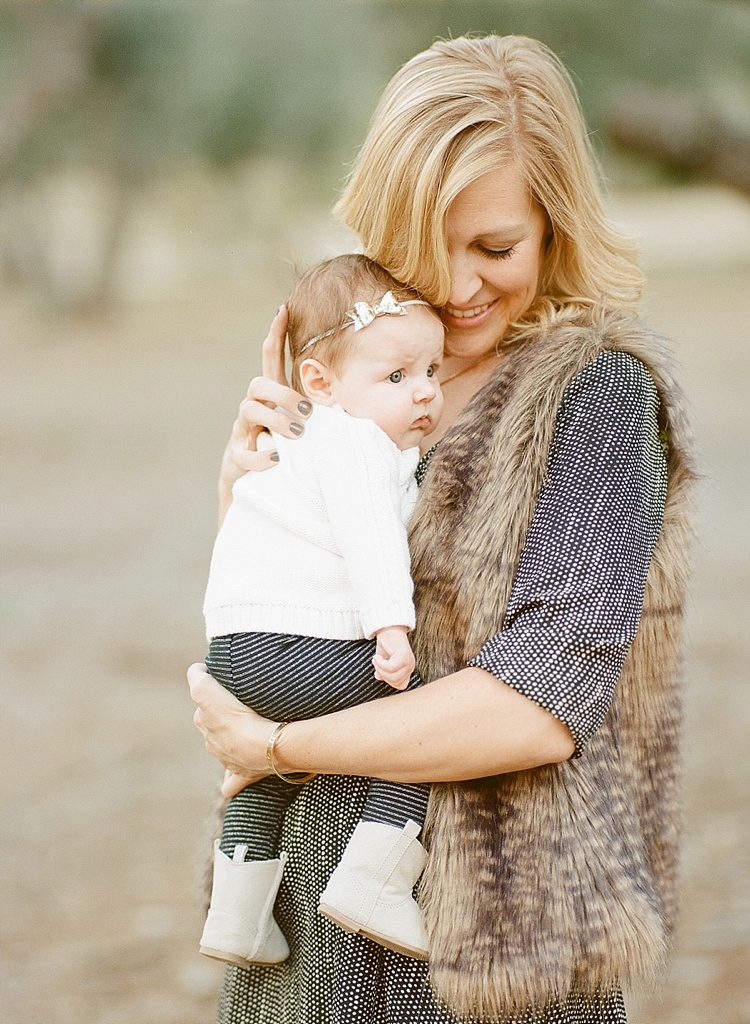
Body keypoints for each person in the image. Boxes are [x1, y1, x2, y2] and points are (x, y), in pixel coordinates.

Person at [188, 33, 696, 1024]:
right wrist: (240, 487)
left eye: (497, 248)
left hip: (488, 959)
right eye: (429, 245)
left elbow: (536, 706)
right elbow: (266, 635)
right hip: (302, 943)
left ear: (554, 226)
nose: (461, 287)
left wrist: (278, 744)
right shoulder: (350, 380)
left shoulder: (595, 395)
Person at [200, 254, 445, 969]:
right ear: (319, 383)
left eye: (432, 370)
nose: (424, 392)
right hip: (301, 643)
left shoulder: (294, 445)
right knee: (419, 723)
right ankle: (376, 878)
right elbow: (372, 540)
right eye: (397, 377)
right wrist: (391, 630)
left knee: (270, 773)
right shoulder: (354, 441)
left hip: (238, 649)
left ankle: (237, 917)